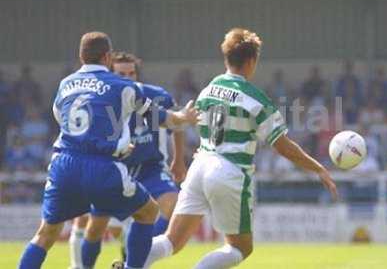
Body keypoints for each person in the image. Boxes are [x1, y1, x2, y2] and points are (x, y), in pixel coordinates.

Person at [143, 28, 337, 269]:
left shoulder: (209, 89)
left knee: (172, 240)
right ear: (252, 61)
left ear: (226, 58)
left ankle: (132, 262)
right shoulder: (255, 98)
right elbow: (283, 146)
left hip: (200, 166)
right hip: (229, 170)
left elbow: (194, 124)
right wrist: (318, 168)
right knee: (240, 247)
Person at [18, 31, 199, 269]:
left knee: (45, 234)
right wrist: (183, 117)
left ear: (81, 56)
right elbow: (162, 118)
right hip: (101, 165)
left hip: (63, 163)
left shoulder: (65, 85)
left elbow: (62, 120)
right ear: (107, 57)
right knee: (147, 212)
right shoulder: (122, 87)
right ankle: (131, 267)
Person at [69, 51, 187, 268]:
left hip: (150, 169)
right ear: (111, 73)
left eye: (131, 73)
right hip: (115, 168)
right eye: (121, 73)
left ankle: (135, 260)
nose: (127, 78)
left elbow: (178, 122)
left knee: (173, 203)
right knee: (96, 226)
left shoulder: (157, 96)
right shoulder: (102, 100)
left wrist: (179, 160)